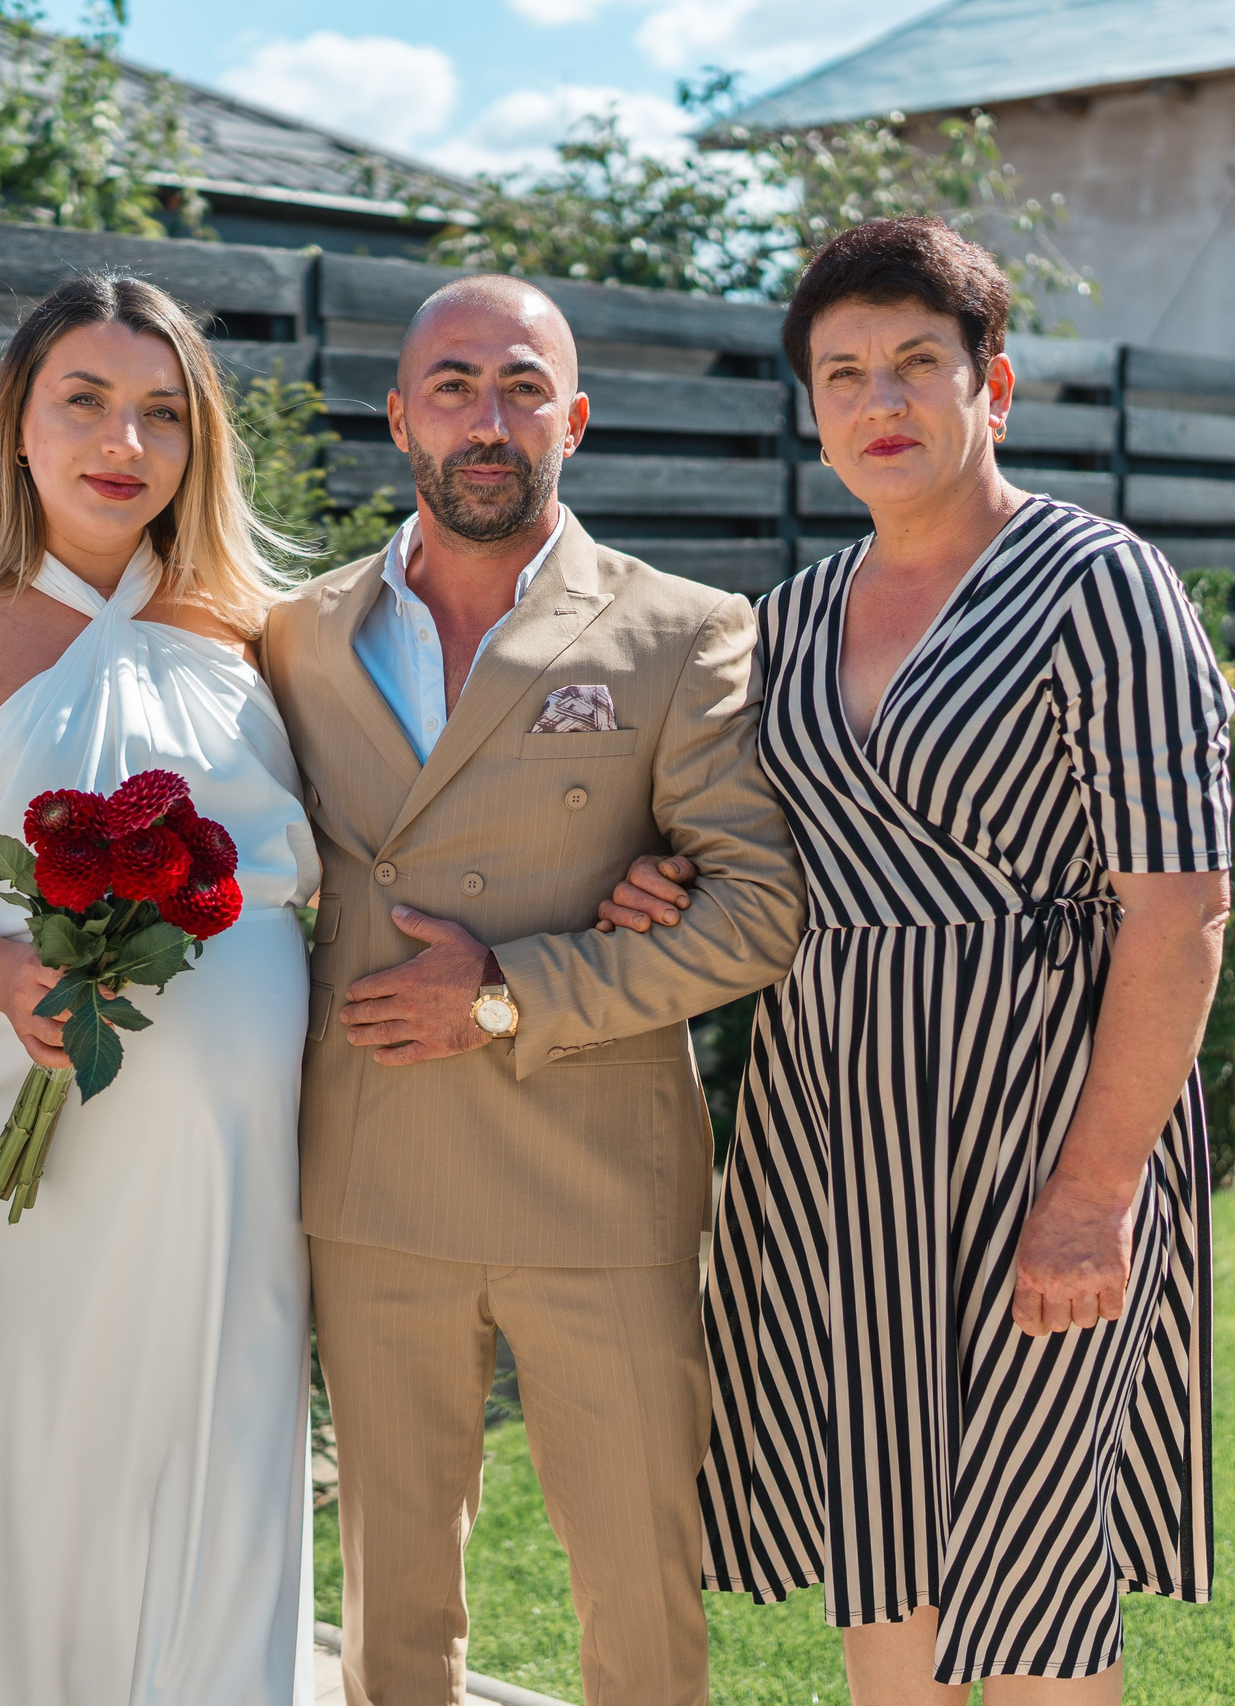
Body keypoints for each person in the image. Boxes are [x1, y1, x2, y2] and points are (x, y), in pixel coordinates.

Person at [618, 216, 1234, 1702]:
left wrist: (1096, 1192)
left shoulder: (1100, 584)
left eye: (915, 362)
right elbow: (768, 850)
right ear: (813, 408)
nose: (879, 401)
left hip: (1041, 1120)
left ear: (991, 385)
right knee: (884, 1536)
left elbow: (1182, 909)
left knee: (1035, 1569)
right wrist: (663, 878)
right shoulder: (787, 620)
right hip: (838, 1134)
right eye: (843, 374)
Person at [263, 274, 807, 1706]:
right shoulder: (298, 634)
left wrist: (506, 990)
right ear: (399, 419)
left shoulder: (681, 630)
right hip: (375, 1170)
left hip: (597, 1180)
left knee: (638, 1585)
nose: (487, 419)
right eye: (453, 387)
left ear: (575, 418)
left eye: (522, 388)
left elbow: (758, 912)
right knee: (391, 1600)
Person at [0, 274, 320, 1704]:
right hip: (36, 1132)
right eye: (85, 401)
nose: (124, 441)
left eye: (164, 412)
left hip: (241, 1159)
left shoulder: (257, 631)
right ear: (15, 426)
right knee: (44, 1413)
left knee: (225, 1413)